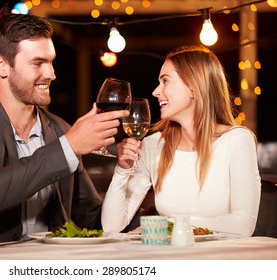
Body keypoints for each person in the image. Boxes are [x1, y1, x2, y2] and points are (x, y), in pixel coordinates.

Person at [0, 13, 129, 248]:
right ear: (1, 65)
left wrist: (129, 179)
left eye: (51, 62)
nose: (51, 74)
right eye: (38, 63)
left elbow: (90, 218)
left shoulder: (58, 128)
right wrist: (69, 146)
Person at [101, 45, 261, 237]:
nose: (155, 91)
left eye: (165, 81)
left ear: (193, 87)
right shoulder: (153, 145)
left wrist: (167, 224)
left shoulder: (237, 141)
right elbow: (111, 226)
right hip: (170, 258)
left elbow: (244, 225)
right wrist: (122, 170)